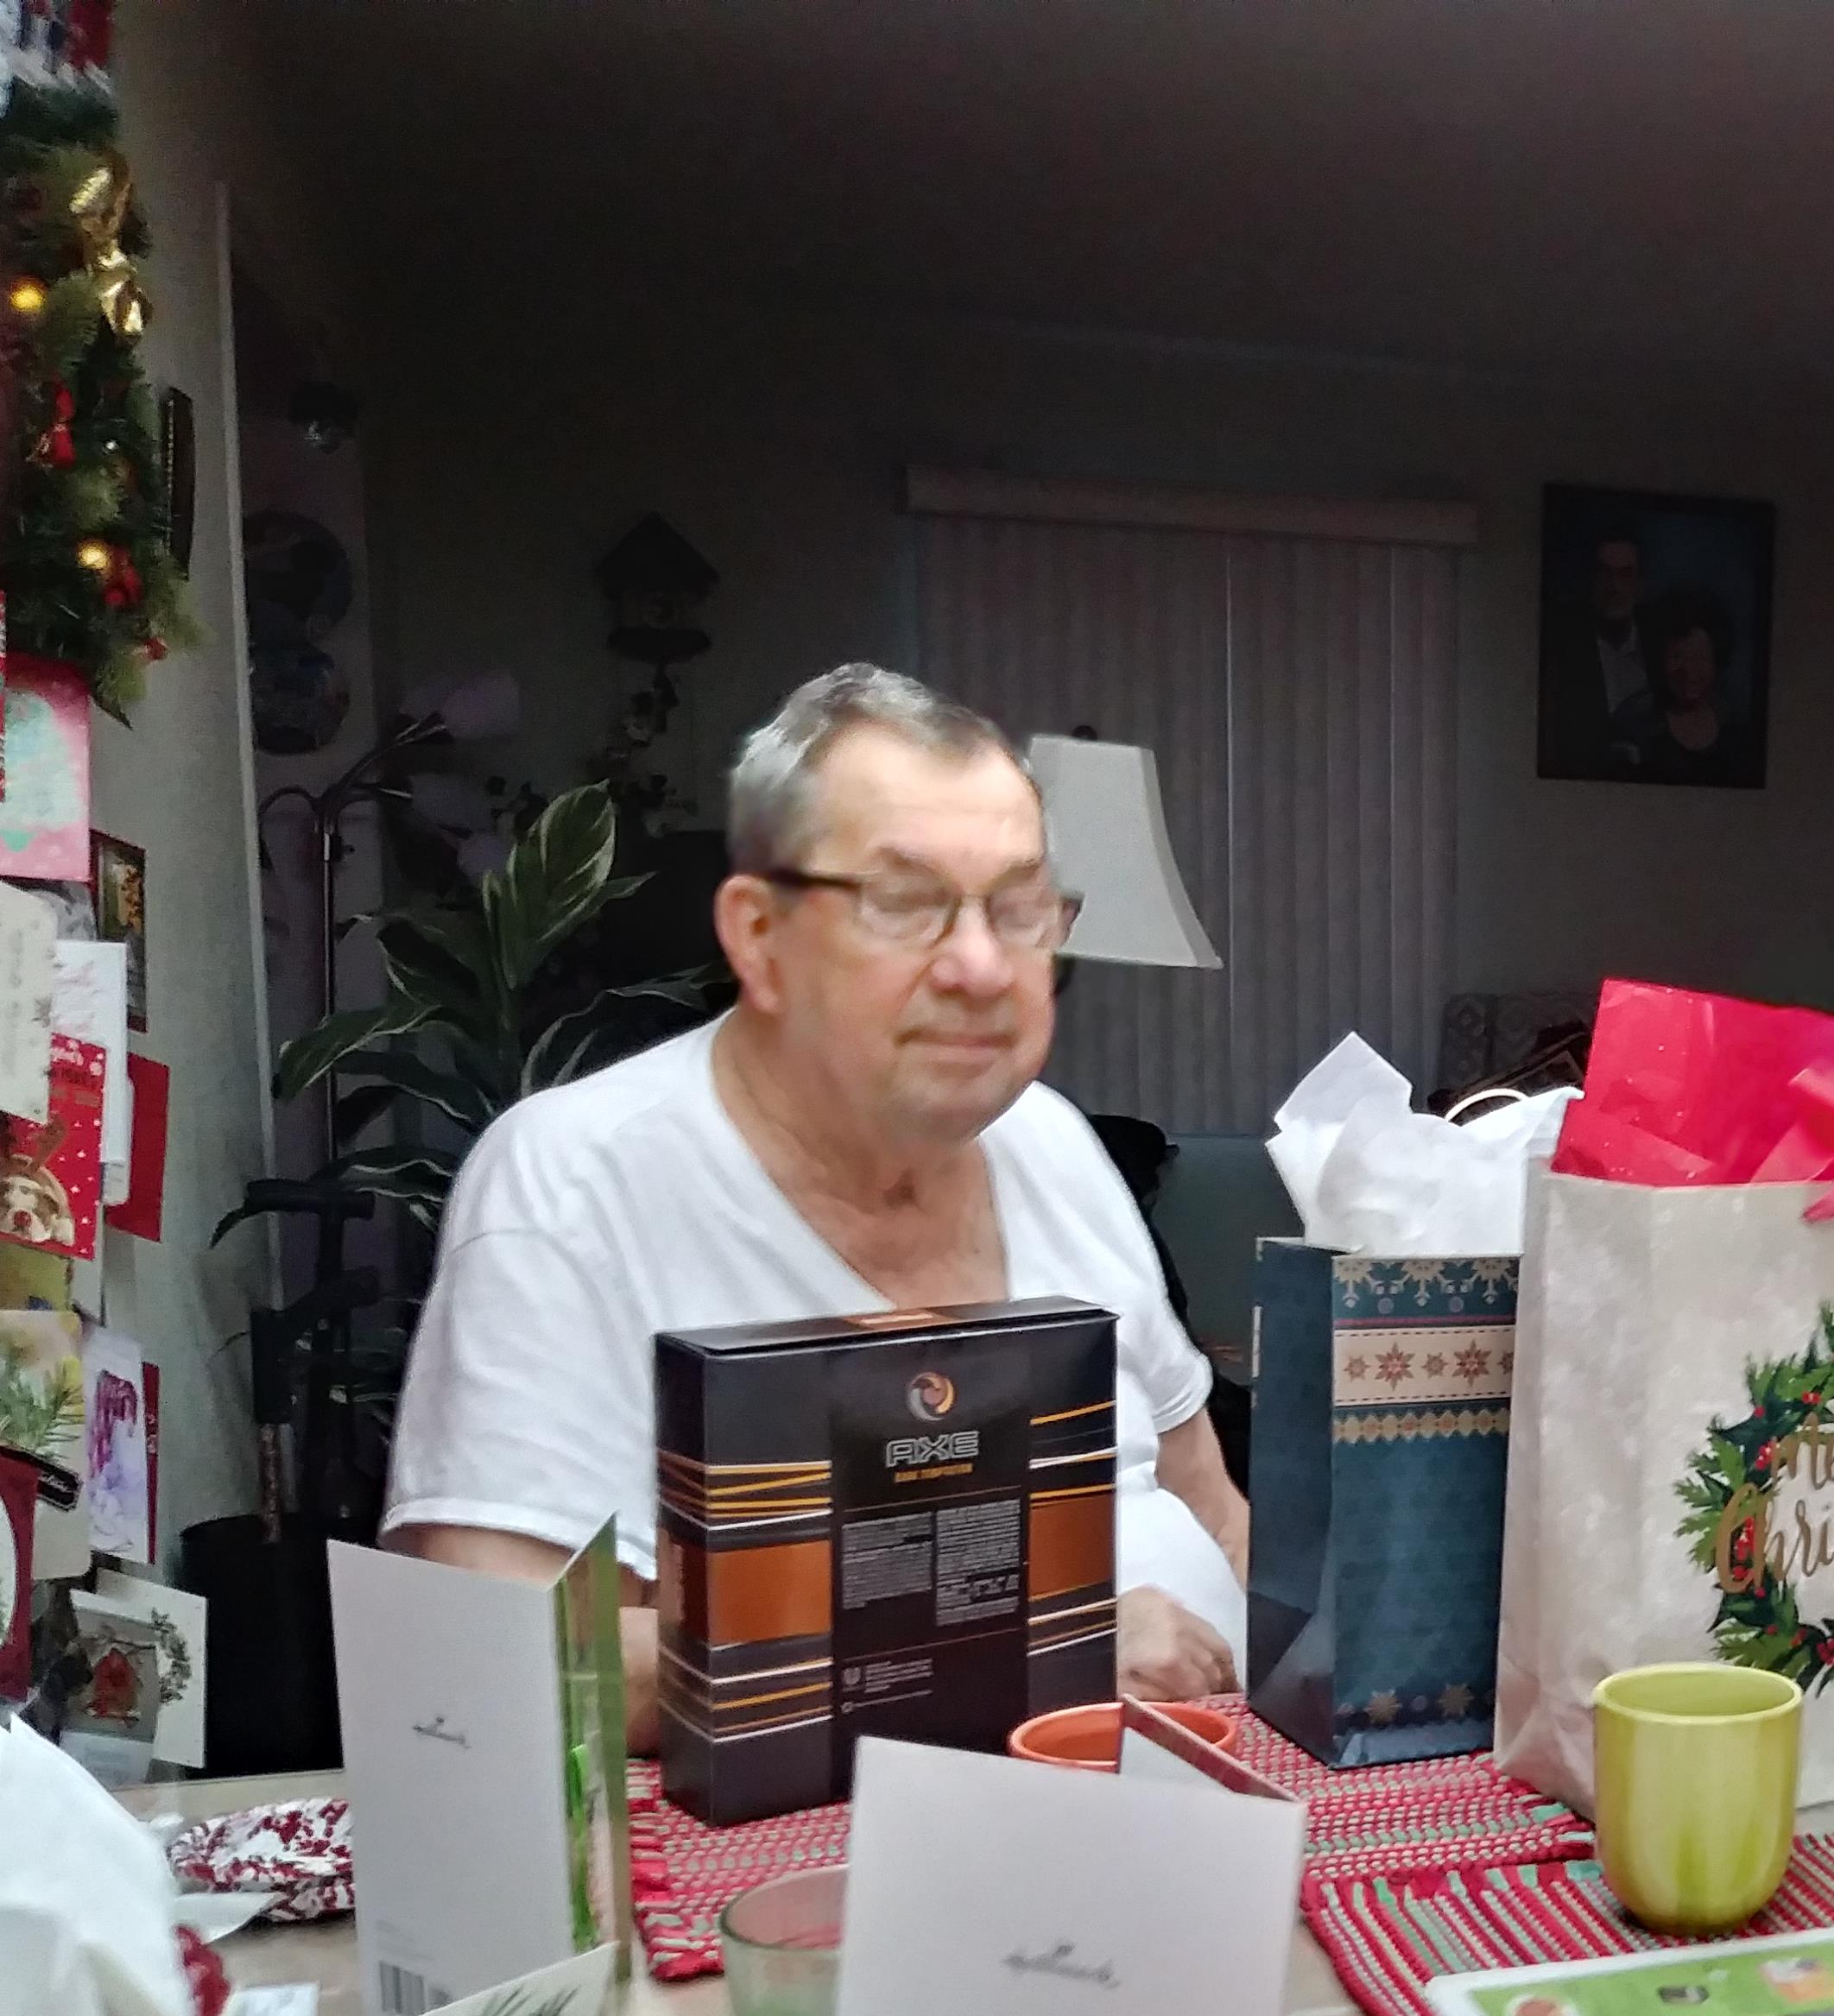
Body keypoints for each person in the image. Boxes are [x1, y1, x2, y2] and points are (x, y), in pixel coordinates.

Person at [383, 663, 1249, 1749]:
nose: (982, 966)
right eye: (903, 905)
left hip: (1168, 1823)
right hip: (797, 1876)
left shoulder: (1054, 1142)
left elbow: (1211, 1510)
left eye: (1019, 907)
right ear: (760, 936)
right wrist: (1034, 1656)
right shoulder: (572, 1184)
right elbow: (503, 1653)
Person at [1538, 521, 1654, 775]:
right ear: (1591, 579)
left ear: (1640, 583)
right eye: (1605, 573)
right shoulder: (1561, 645)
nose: (1615, 587)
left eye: (1625, 574)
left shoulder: (1659, 641)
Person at [1618, 588, 1759, 787]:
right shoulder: (1633, 723)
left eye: (1700, 658)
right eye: (1678, 657)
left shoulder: (1736, 728)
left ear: (1716, 660)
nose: (1688, 671)